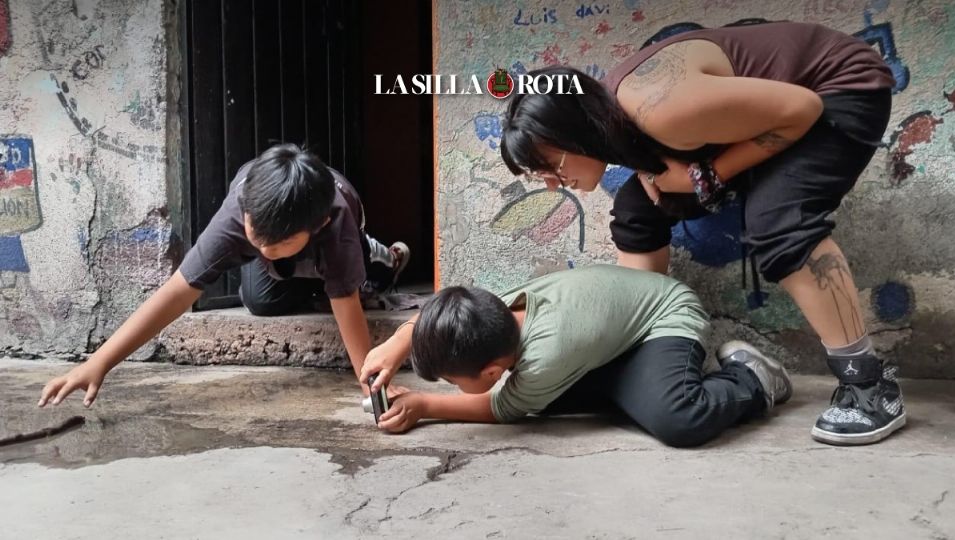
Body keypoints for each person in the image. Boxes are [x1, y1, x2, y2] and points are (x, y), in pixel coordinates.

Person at [498, 21, 902, 446]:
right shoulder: (618, 123)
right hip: (776, 112)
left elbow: (801, 109)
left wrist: (706, 175)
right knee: (638, 207)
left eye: (549, 166)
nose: (550, 183)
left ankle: (869, 386)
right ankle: (634, 343)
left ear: (571, 135)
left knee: (780, 222)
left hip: (839, 90)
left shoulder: (658, 109)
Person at [38, 143, 409, 407]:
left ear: (318, 225)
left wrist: (371, 388)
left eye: (276, 244)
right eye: (255, 240)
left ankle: (383, 259)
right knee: (260, 301)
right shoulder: (240, 206)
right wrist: (97, 362)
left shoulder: (335, 220)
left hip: (342, 237)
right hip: (295, 246)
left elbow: (345, 307)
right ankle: (312, 275)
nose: (263, 250)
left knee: (349, 286)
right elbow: (178, 292)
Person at [360, 264, 791, 448]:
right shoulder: (495, 310)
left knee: (677, 418)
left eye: (456, 381)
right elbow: (448, 317)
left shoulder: (546, 356)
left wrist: (425, 405)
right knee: (547, 402)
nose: (455, 389)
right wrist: (400, 341)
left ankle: (750, 378)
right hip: (611, 342)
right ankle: (636, 388)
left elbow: (501, 408)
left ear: (491, 370)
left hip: (665, 318)